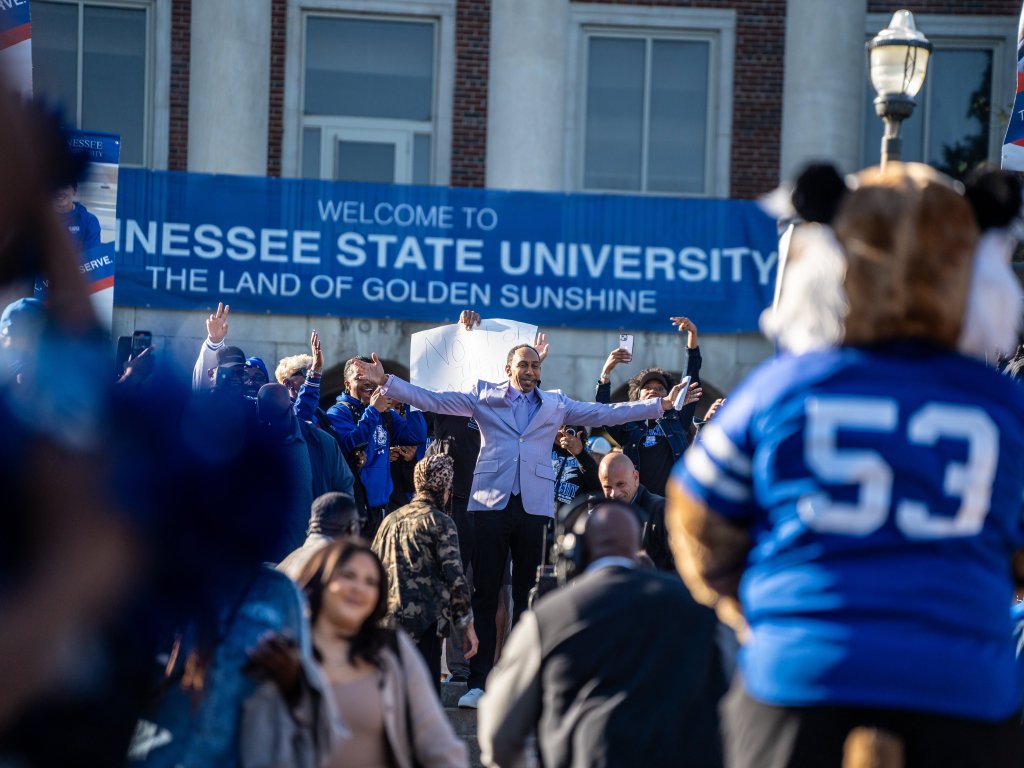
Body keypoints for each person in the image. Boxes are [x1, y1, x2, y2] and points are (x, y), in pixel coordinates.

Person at [668, 163, 1024, 767]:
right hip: (961, 681)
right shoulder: (1001, 402)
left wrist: (751, 605)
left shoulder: (782, 388)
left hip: (802, 673)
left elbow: (700, 516)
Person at [349, 310, 687, 709]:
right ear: (507, 368)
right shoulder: (482, 397)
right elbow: (432, 399)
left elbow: (605, 414)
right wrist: (388, 381)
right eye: (521, 364)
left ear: (540, 371)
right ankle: (480, 681)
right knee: (486, 591)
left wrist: (660, 405)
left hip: (535, 507)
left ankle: (526, 678)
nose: (528, 370)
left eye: (534, 365)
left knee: (531, 594)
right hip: (490, 504)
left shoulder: (556, 404)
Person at [477, 500, 725, 768]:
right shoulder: (695, 609)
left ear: (575, 553)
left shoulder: (547, 618)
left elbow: (498, 736)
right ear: (638, 550)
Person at [296, 539, 469, 768]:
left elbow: (438, 742)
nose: (359, 588)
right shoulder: (285, 649)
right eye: (348, 575)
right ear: (321, 580)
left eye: (371, 582)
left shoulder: (392, 649)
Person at [372, 454, 479, 690]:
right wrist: (467, 625)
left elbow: (372, 571)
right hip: (425, 627)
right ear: (444, 487)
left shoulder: (389, 520)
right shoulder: (440, 522)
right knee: (423, 700)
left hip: (385, 626)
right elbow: (455, 578)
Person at [595, 316, 704, 496]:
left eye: (660, 388)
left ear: (669, 395)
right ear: (637, 396)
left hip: (672, 502)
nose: (653, 391)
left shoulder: (676, 416)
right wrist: (606, 372)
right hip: (637, 504)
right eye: (647, 388)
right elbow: (602, 412)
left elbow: (690, 377)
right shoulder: (627, 424)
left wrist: (692, 334)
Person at [325, 356, 428, 540]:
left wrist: (406, 397)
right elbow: (349, 444)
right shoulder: (338, 412)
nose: (367, 383)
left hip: (384, 510)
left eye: (371, 379)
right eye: (359, 378)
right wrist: (373, 411)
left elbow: (416, 435)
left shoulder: (385, 414)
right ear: (347, 384)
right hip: (357, 510)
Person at [255, 383, 355, 560]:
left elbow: (344, 491)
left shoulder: (321, 444)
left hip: (312, 558)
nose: (272, 424)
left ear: (291, 408)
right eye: (267, 418)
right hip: (265, 563)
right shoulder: (250, 446)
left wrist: (335, 538)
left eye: (279, 417)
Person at [598, 452, 674, 572]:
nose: (614, 494)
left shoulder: (663, 510)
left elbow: (684, 566)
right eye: (607, 487)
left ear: (636, 478)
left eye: (620, 484)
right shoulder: (602, 518)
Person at [278, 491, 361, 581]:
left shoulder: (288, 560)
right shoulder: (336, 563)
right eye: (360, 523)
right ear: (352, 528)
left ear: (312, 523)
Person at [551, 425, 601, 505]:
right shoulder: (542, 449)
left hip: (570, 515)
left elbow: (597, 489)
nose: (562, 432)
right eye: (559, 427)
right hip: (539, 513)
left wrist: (580, 454)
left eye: (567, 428)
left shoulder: (588, 454)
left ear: (578, 430)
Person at [53, 182, 101, 252]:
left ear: (74, 191)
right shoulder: (38, 220)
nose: (60, 191)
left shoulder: (89, 221)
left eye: (65, 187)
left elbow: (92, 258)